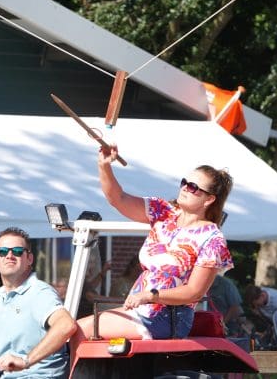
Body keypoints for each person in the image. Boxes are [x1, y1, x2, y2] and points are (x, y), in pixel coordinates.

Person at [73, 145, 234, 345]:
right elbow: (118, 198)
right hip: (139, 308)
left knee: (79, 329)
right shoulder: (163, 212)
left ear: (209, 199)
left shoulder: (213, 239)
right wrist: (104, 165)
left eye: (193, 187)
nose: (185, 188)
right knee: (71, 328)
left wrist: (151, 296)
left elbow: (194, 292)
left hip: (167, 317)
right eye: (184, 182)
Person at [0, 227, 77, 378]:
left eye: (17, 251)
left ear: (29, 259)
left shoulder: (39, 293)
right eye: (3, 251)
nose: (9, 256)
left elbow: (66, 325)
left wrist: (25, 361)